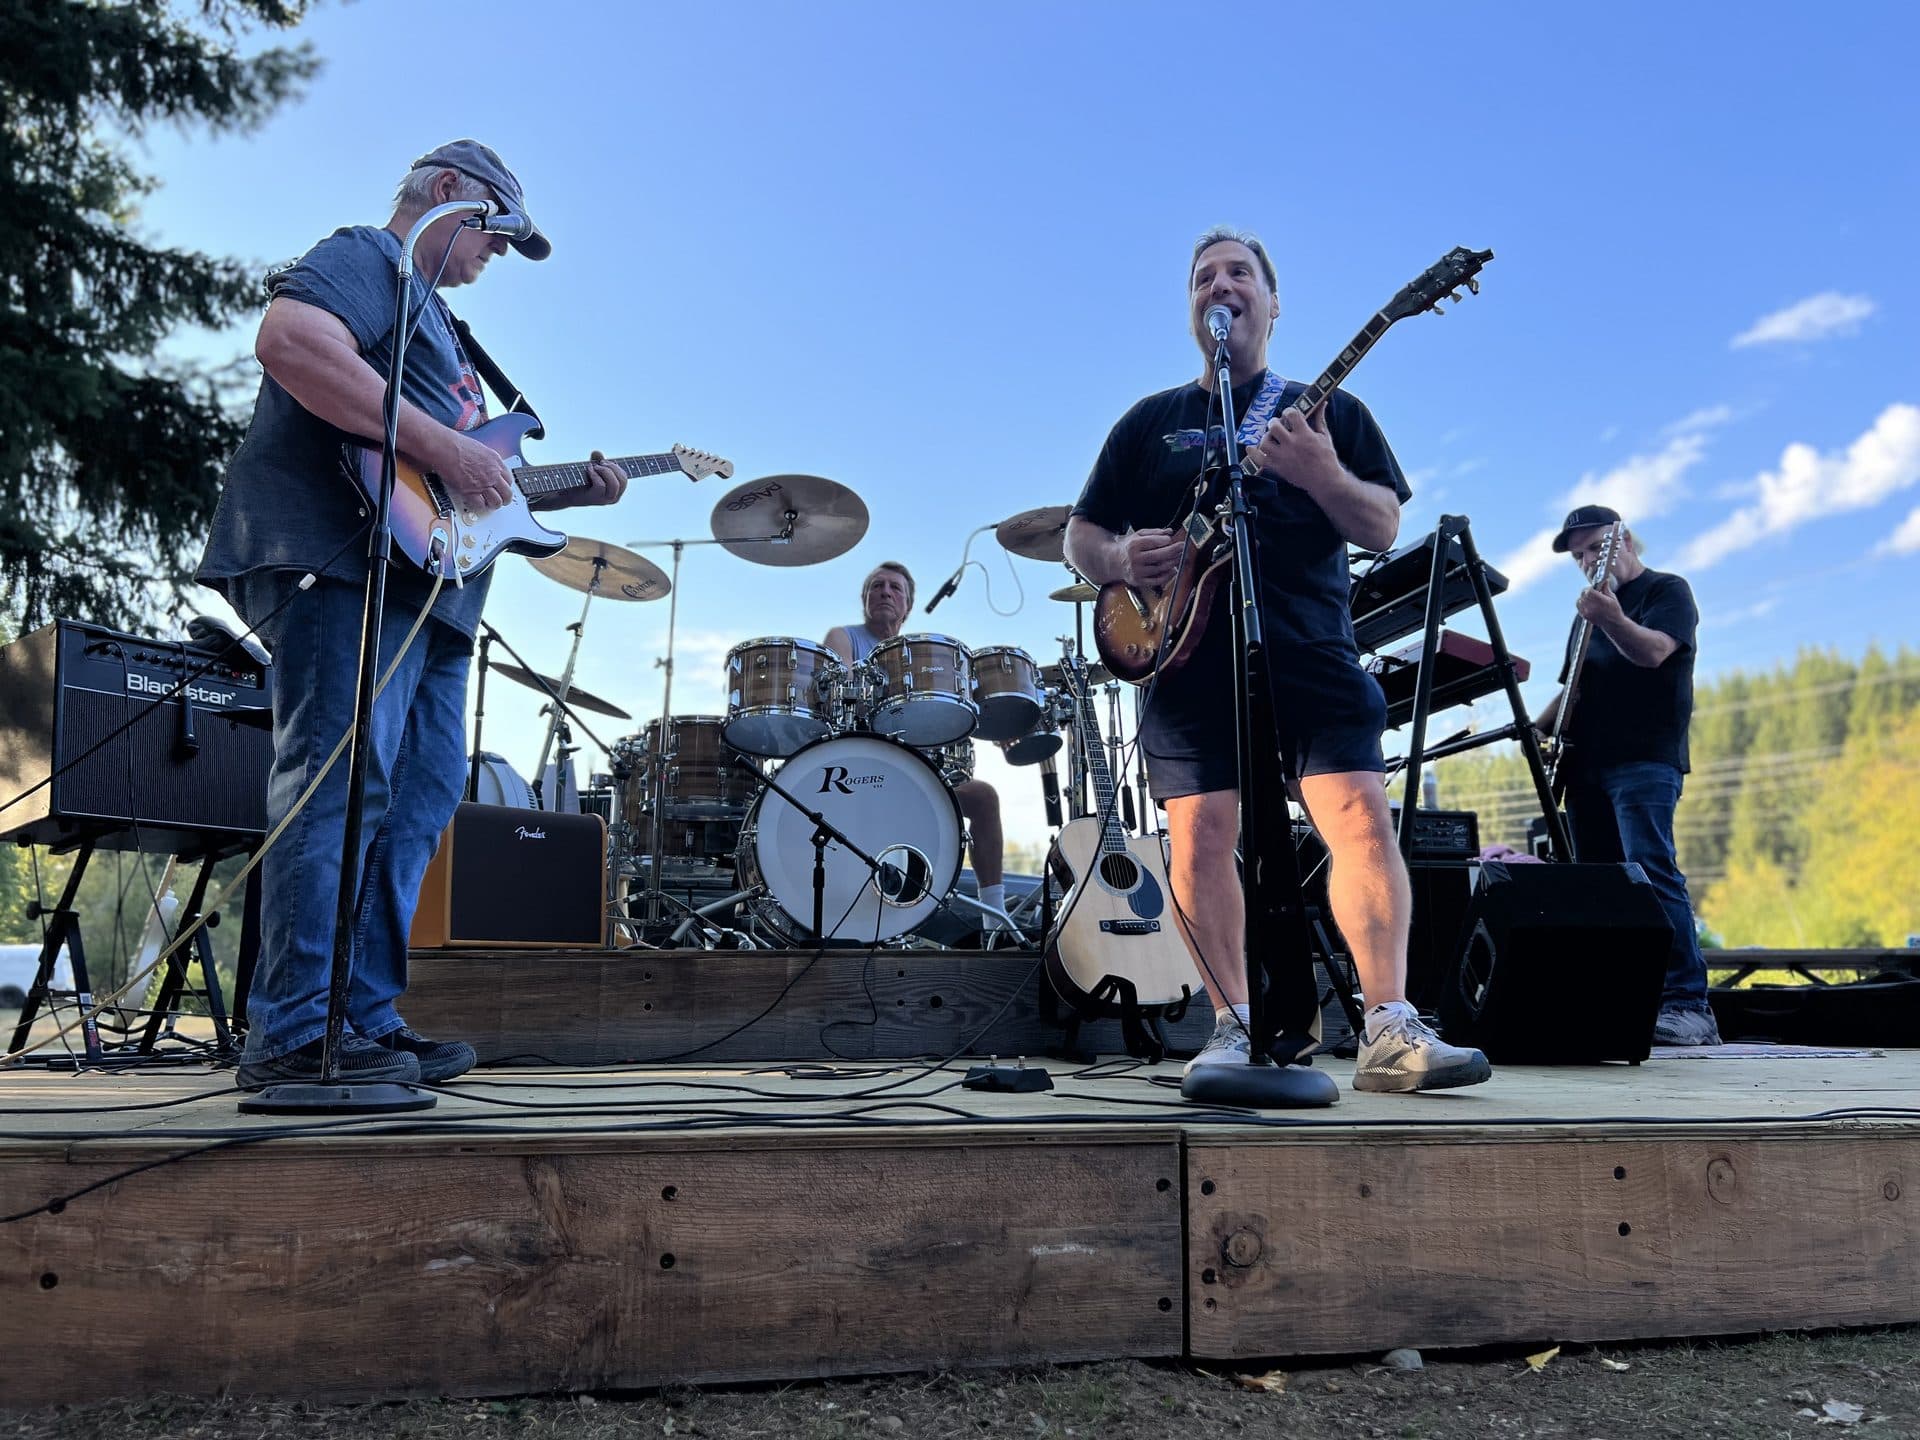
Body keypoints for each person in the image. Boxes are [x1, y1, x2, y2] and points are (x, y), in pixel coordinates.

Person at [196, 141, 630, 1088]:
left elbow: (463, 480)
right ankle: (295, 1035)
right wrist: (452, 449)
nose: (496, 260)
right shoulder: (369, 255)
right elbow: (293, 344)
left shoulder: (446, 327)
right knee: (342, 781)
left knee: (421, 793)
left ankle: (364, 1021)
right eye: (496, 236)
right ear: (447, 196)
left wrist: (554, 491)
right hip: (343, 561)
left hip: (432, 592)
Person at [1064, 227, 1491, 1092]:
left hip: (1308, 648)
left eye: (1239, 274)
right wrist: (1118, 562)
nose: (1220, 286)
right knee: (1199, 836)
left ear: (1272, 301)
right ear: (1193, 308)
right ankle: (1232, 1025)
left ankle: (1387, 1027)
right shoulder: (1148, 422)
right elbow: (1080, 533)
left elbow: (1379, 524)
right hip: (1183, 658)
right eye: (1203, 277)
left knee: (1361, 821)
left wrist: (1322, 472)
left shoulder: (1325, 411)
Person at [1532, 505, 1721, 1046]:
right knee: (1601, 885)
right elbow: (1572, 691)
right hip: (1585, 767)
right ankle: (1618, 1001)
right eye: (1578, 555)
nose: (1588, 561)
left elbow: (1655, 653)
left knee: (1652, 871)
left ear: (1624, 541)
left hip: (1642, 759)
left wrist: (1610, 616)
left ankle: (1688, 1004)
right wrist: (1530, 730)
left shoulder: (1667, 591)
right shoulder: (1582, 618)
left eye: (1595, 548)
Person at [823, 562, 1010, 929]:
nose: (885, 592)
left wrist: (997, 721)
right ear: (864, 599)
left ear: (907, 605)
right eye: (876, 586)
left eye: (895, 588)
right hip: (864, 772)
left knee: (984, 797)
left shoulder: (926, 657)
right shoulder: (844, 637)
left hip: (920, 773)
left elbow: (957, 702)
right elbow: (839, 686)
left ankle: (997, 919)